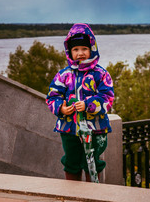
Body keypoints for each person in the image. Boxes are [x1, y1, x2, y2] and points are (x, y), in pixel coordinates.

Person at [46, 23, 114, 182]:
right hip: (69, 130)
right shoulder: (63, 75)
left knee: (92, 162)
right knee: (71, 162)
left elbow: (107, 98)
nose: (80, 53)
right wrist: (61, 108)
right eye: (75, 50)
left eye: (84, 48)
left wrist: (88, 104)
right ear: (69, 51)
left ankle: (93, 193)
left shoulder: (100, 74)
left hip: (95, 129)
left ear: (92, 48)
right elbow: (52, 96)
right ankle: (73, 194)